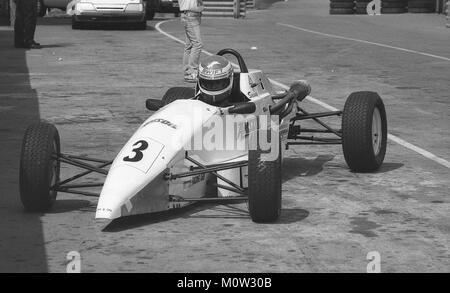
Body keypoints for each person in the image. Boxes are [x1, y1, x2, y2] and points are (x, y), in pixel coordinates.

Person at [179, 0, 204, 83]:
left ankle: (187, 72)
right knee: (197, 44)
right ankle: (191, 72)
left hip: (192, 15)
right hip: (190, 16)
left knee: (189, 45)